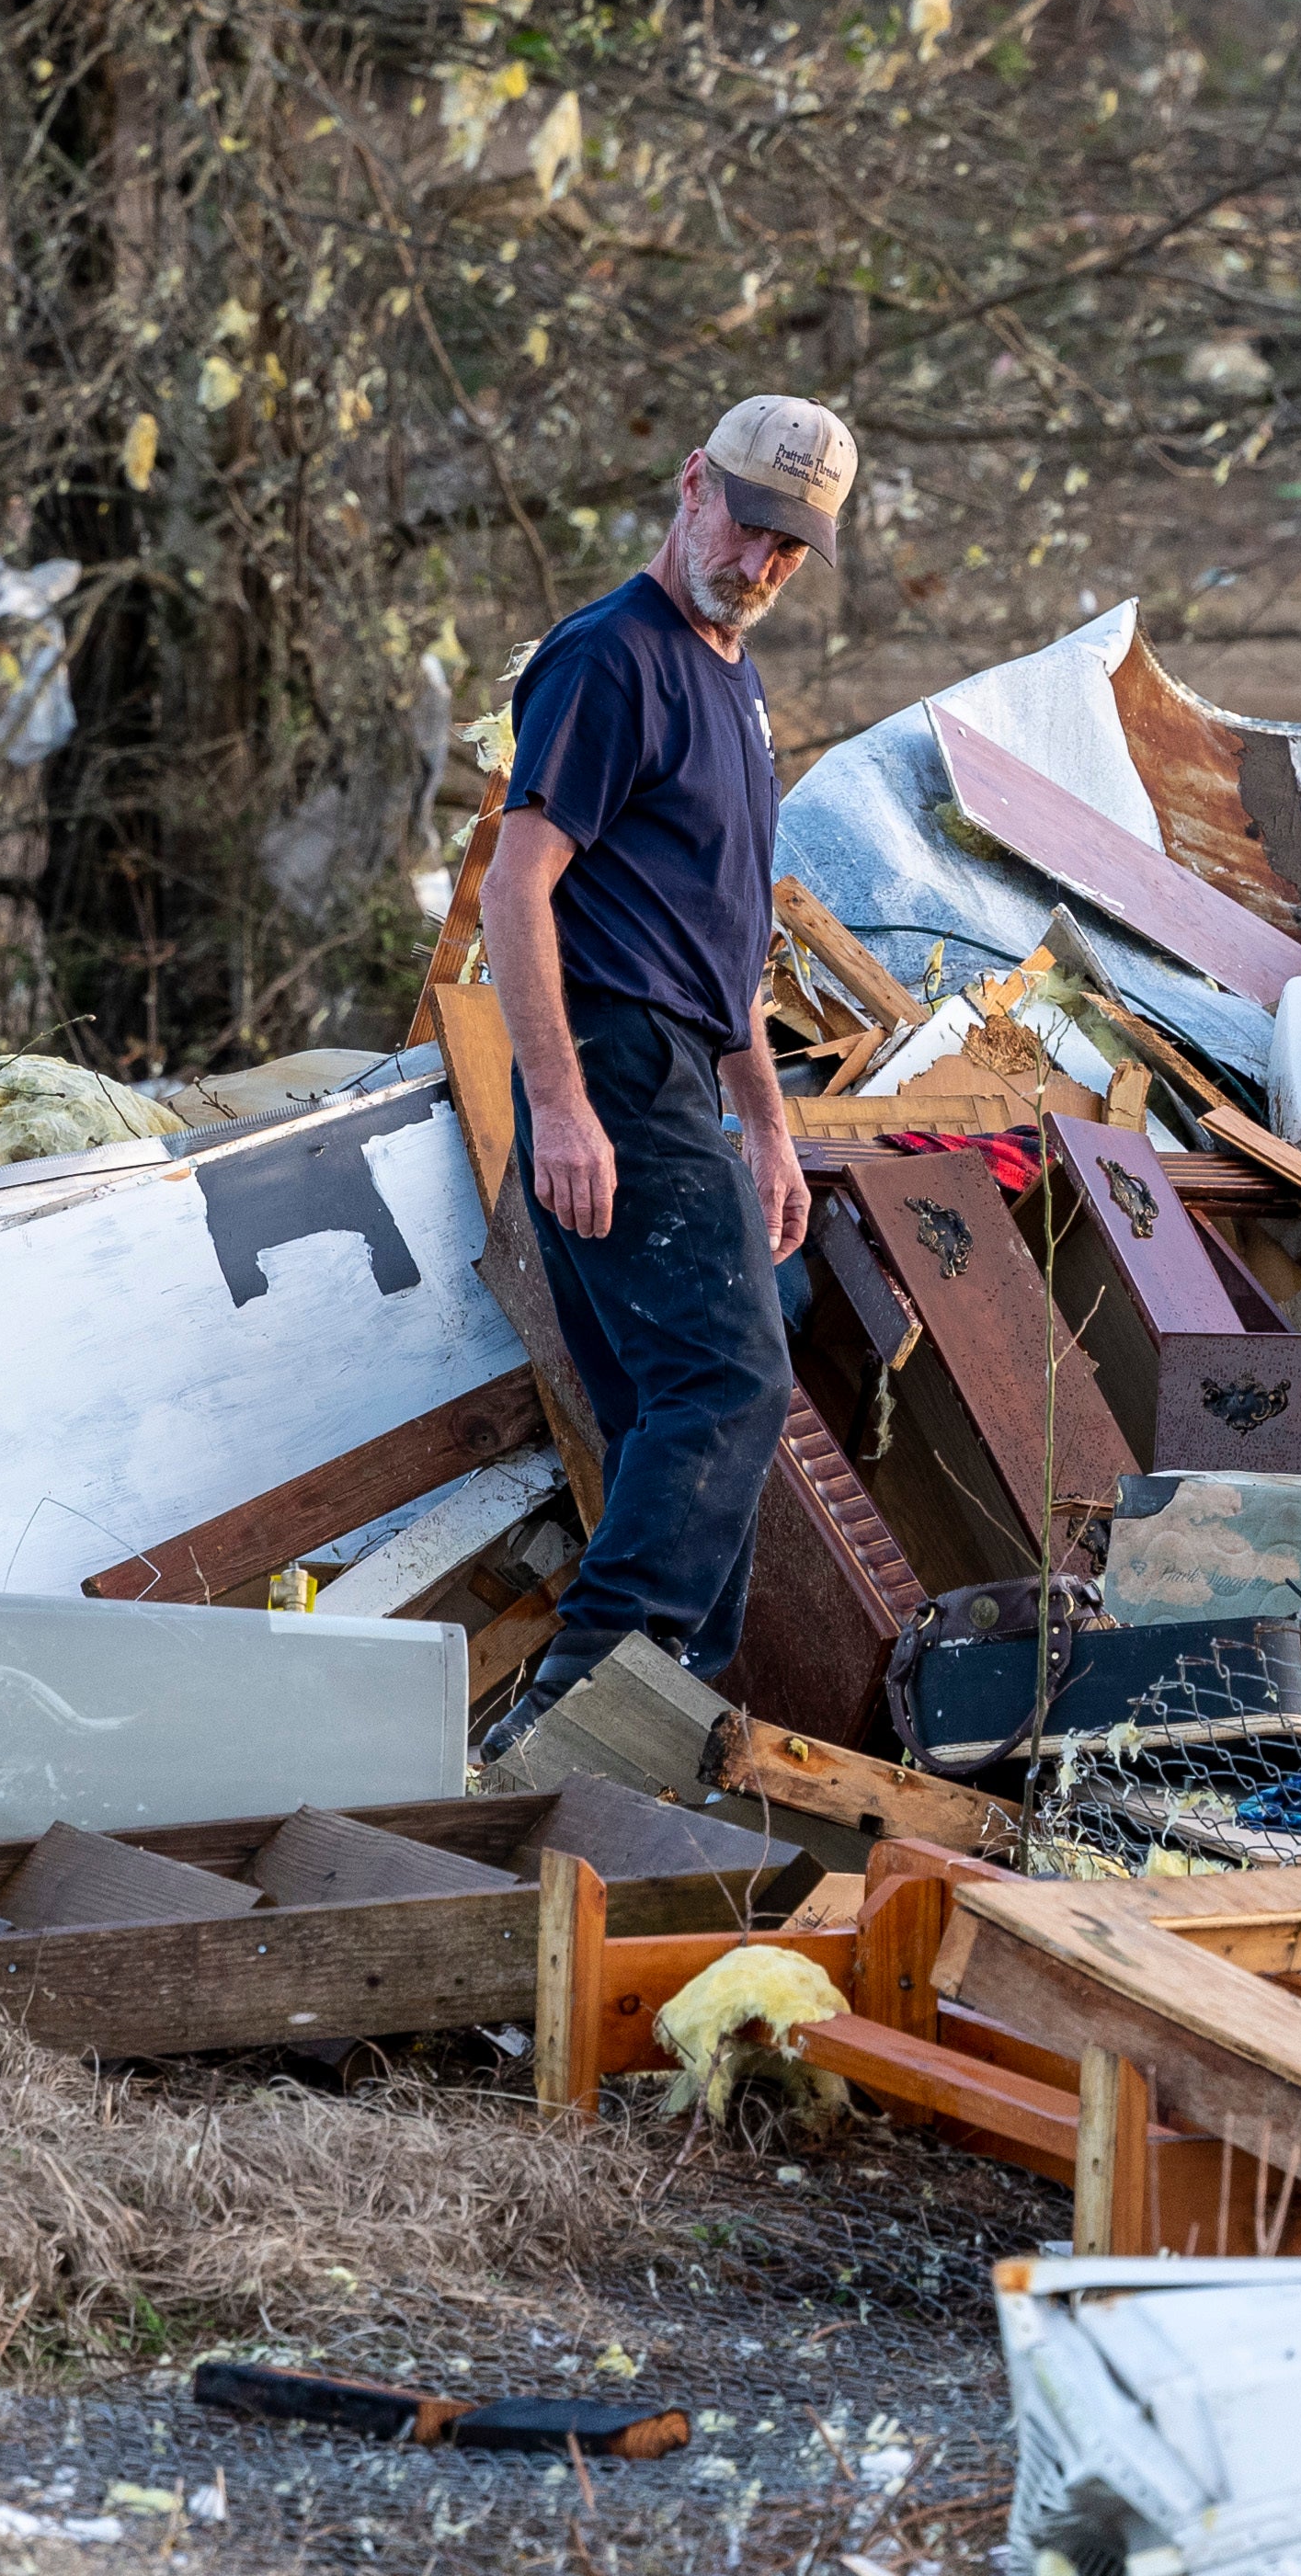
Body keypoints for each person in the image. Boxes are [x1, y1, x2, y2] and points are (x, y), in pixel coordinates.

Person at [473, 393, 858, 1751]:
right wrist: (565, 1100)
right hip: (614, 1066)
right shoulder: (609, 659)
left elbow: (727, 941)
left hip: (683, 1068)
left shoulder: (734, 681)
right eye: (748, 527)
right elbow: (516, 895)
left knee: (668, 1409)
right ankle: (585, 1708)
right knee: (730, 1380)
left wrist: (768, 1125)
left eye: (789, 551)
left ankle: (665, 1724)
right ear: (694, 485)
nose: (758, 565)